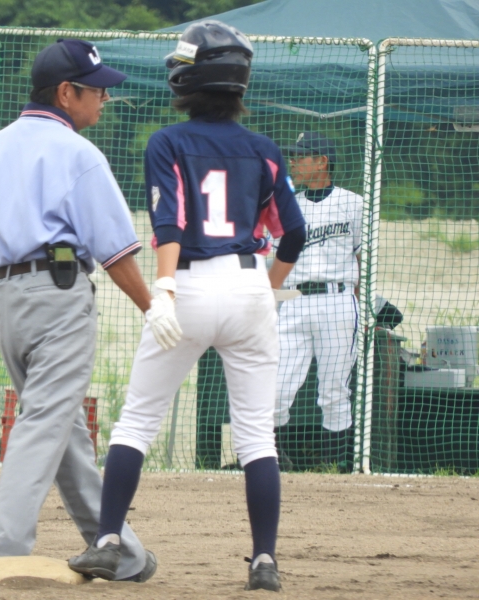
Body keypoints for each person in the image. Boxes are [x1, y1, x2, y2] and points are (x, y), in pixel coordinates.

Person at [0, 39, 181, 581]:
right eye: (96, 90)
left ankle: (122, 552)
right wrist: (153, 307)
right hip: (59, 297)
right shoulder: (79, 154)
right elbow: (115, 252)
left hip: (7, 301)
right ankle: (0, 546)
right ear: (66, 93)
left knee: (62, 428)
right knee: (45, 419)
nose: (104, 99)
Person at [67, 21, 306, 592]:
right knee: (256, 437)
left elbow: (169, 223)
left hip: (190, 284)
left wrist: (166, 290)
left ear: (189, 79)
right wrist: (267, 289)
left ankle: (108, 541)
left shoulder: (167, 142)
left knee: (138, 421)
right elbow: (293, 234)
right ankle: (264, 561)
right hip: (249, 286)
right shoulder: (265, 149)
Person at [273, 131, 362, 473]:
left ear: (323, 161)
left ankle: (334, 467)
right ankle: (272, 459)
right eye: (293, 156)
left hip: (337, 300)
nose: (294, 162)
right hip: (293, 300)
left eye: (302, 156)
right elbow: (273, 260)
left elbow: (363, 260)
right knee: (276, 388)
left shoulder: (354, 203)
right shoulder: (285, 205)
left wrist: (359, 307)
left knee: (334, 390)